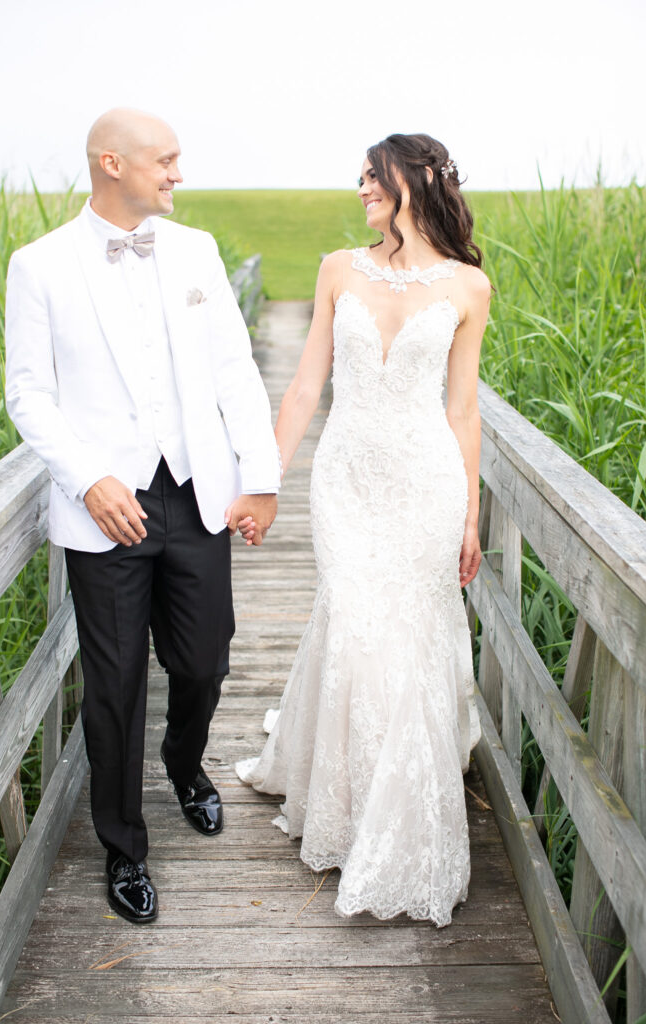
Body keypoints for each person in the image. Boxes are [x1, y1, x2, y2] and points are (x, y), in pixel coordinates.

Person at [5, 108, 279, 924]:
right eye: (164, 160)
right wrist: (88, 478)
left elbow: (233, 370)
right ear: (110, 162)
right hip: (106, 509)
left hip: (195, 490)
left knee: (204, 660)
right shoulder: (39, 265)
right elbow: (28, 392)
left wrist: (258, 477)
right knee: (115, 685)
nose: (178, 173)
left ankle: (184, 762)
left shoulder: (193, 250)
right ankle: (123, 847)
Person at [236, 133, 491, 926]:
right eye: (357, 180)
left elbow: (462, 408)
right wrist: (263, 480)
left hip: (425, 483)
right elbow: (306, 384)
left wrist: (470, 512)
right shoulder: (338, 268)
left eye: (371, 178)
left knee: (407, 637)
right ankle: (343, 805)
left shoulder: (469, 286)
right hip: (345, 480)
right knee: (352, 621)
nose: (360, 191)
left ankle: (401, 822)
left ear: (414, 181)